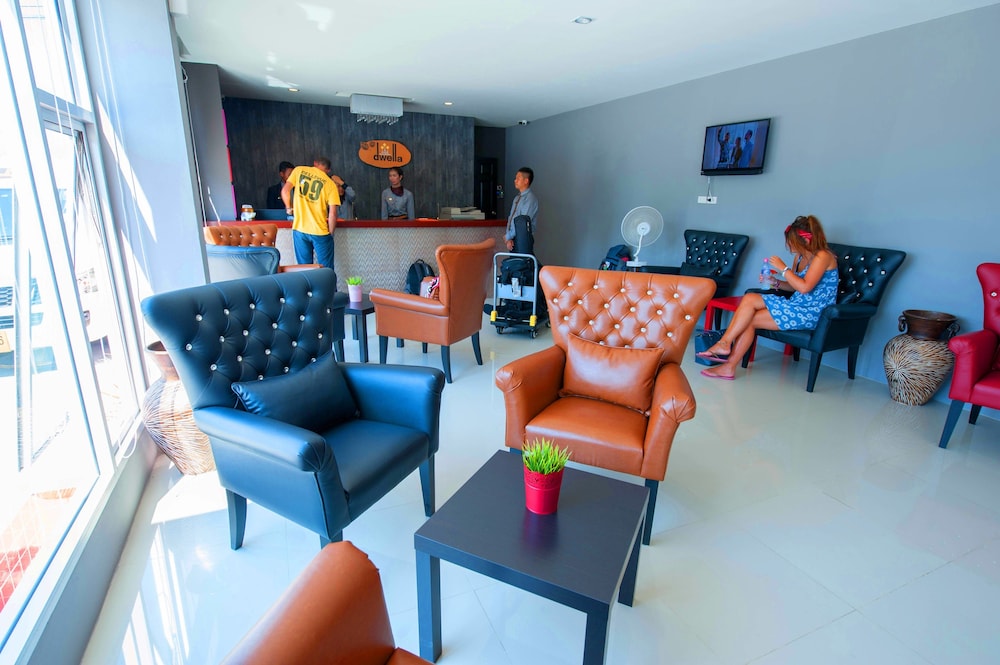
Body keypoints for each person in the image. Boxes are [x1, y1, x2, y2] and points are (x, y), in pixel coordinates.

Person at [697, 215, 839, 380]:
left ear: (805, 240)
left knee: (751, 319)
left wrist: (783, 269)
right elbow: (794, 286)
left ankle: (728, 364)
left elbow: (805, 287)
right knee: (750, 298)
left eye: (791, 241)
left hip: (812, 313)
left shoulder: (823, 256)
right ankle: (725, 344)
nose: (788, 245)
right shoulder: (800, 256)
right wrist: (774, 282)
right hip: (796, 305)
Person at [281, 157, 341, 279]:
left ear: (315, 163)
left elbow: (285, 191)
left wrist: (289, 208)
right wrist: (330, 234)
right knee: (326, 271)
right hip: (320, 231)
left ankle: (307, 291)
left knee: (304, 270)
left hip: (300, 229)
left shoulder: (299, 170)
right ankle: (328, 291)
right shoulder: (330, 184)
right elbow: (333, 214)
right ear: (328, 170)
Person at [504, 167, 538, 251]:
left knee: (523, 258)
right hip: (514, 238)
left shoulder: (530, 199)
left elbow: (522, 223)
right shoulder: (517, 198)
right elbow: (511, 217)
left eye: (518, 178)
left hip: (523, 238)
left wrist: (508, 236)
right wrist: (509, 237)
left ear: (526, 181)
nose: (515, 181)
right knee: (514, 259)